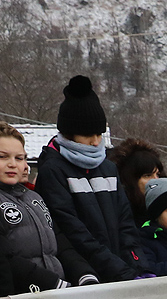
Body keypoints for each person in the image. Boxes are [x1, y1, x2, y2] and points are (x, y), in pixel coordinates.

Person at [35, 76, 141, 282]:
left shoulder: (109, 167)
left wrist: (137, 265)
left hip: (124, 274)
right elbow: (74, 233)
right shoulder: (53, 171)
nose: (95, 142)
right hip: (86, 277)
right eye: (87, 135)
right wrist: (118, 270)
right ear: (69, 133)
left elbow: (127, 224)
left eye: (99, 134)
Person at [0, 123, 96, 290]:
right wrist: (51, 283)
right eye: (3, 157)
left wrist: (83, 273)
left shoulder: (34, 197)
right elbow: (7, 259)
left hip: (53, 298)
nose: (12, 164)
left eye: (19, 158)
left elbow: (60, 243)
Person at [107, 138, 166, 225]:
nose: (156, 180)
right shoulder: (119, 214)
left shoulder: (166, 208)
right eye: (147, 176)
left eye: (158, 175)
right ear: (130, 180)